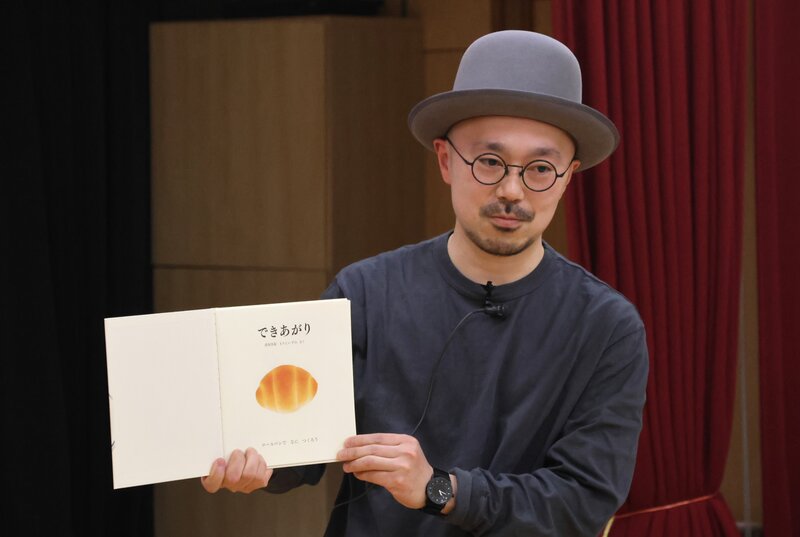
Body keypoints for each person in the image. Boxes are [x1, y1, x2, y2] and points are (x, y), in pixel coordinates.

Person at [200, 30, 649, 537]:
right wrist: (252, 463)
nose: (511, 190)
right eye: (489, 162)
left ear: (567, 177)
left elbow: (582, 503)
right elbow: (299, 451)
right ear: (445, 160)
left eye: (541, 168)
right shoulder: (365, 293)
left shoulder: (606, 327)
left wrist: (440, 489)